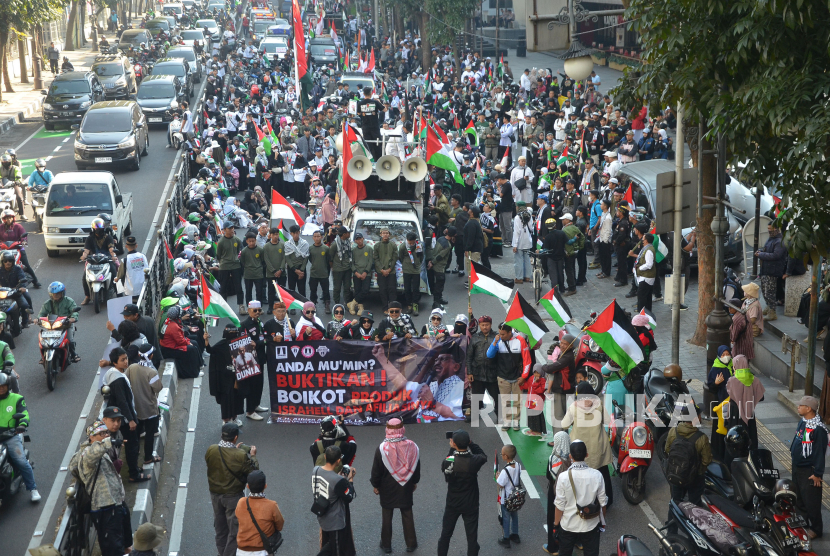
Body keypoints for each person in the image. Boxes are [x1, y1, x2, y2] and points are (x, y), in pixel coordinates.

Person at [69, 421, 131, 556]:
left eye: (106, 433)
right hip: (104, 506)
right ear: (91, 437)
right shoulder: (88, 452)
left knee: (124, 541)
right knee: (113, 548)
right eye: (101, 434)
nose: (105, 436)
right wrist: (109, 442)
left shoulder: (101, 450)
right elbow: (92, 455)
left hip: (116, 502)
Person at [205, 422, 259, 556]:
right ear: (235, 438)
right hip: (233, 497)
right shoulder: (240, 455)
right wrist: (253, 456)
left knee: (220, 528)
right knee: (235, 530)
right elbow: (254, 473)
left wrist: (235, 449)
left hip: (215, 495)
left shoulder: (211, 449)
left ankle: (221, 552)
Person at [370, 418, 420, 553]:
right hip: (406, 486)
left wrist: (375, 485)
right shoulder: (412, 446)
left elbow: (376, 470)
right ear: (402, 428)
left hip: (387, 487)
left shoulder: (382, 448)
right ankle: (411, 543)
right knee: (407, 513)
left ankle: (386, 545)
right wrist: (414, 482)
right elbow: (416, 467)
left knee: (387, 515)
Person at [561, 381, 614, 507]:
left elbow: (564, 424)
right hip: (598, 446)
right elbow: (607, 420)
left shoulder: (574, 407)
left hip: (580, 449)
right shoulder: (599, 405)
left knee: (580, 476)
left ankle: (584, 501)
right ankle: (607, 499)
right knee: (602, 473)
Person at [100, 351, 151, 482]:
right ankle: (134, 474)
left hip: (120, 415)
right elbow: (123, 401)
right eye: (122, 360)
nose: (126, 361)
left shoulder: (112, 373)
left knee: (132, 444)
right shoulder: (118, 379)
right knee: (132, 445)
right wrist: (131, 420)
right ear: (115, 362)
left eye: (126, 358)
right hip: (124, 418)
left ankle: (135, 469)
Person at [437, 430, 488, 556]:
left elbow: (446, 462)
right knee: (471, 538)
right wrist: (471, 443)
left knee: (446, 534)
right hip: (471, 503)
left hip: (453, 503)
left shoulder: (449, 461)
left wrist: (452, 449)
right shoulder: (475, 460)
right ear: (468, 442)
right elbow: (483, 455)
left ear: (454, 443)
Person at [553, 440, 608, 556]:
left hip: (568, 526)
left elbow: (559, 506)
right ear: (586, 455)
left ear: (570, 456)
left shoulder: (563, 477)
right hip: (590, 525)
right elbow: (603, 503)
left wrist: (555, 525)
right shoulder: (597, 475)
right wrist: (601, 522)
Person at [790, 395, 827, 539]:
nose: (798, 407)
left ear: (808, 408)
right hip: (797, 466)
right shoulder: (803, 422)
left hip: (809, 470)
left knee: (812, 501)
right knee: (799, 498)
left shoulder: (819, 429)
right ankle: (802, 522)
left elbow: (819, 452)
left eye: (801, 405)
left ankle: (816, 528)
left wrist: (817, 473)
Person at [663, 405, 712, 507]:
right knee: (695, 505)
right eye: (699, 415)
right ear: (695, 418)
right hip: (694, 478)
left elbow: (667, 449)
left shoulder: (673, 431)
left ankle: (672, 521)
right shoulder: (702, 438)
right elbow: (706, 461)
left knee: (675, 502)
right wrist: (698, 472)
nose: (700, 417)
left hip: (676, 473)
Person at [312, 445, 357, 556]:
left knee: (328, 545)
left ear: (325, 456)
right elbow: (349, 496)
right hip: (335, 522)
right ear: (338, 460)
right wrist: (350, 479)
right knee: (336, 550)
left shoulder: (316, 470)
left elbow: (329, 483)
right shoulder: (338, 480)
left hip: (322, 516)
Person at [0, 373, 39, 501]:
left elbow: (24, 413)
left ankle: (33, 489)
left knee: (21, 461)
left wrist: (22, 424)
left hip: (11, 436)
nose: (1, 388)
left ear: (8, 385)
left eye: (3, 386)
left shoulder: (16, 398)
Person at [487, 323, 532, 430]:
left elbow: (527, 360)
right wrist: (495, 342)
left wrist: (524, 376)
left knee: (517, 401)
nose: (500, 336)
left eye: (503, 334)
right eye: (499, 333)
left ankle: (516, 421)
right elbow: (489, 355)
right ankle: (507, 422)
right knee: (505, 401)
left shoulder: (520, 340)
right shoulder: (498, 341)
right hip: (503, 376)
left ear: (509, 332)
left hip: (517, 377)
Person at [123, 350, 163, 467]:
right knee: (149, 434)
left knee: (136, 434)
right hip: (150, 408)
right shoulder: (151, 372)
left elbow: (126, 381)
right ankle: (148, 457)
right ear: (151, 356)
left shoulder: (132, 367)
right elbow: (158, 388)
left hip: (136, 408)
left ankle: (136, 455)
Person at [234, 470, 285, 554]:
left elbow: (238, 519)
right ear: (265, 486)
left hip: (242, 551)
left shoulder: (241, 503)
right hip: (262, 550)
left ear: (248, 486)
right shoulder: (271, 505)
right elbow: (279, 526)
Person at [206, 324, 245, 426]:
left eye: (234, 333)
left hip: (238, 376)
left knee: (237, 397)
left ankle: (235, 417)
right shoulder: (221, 345)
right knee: (226, 399)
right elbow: (210, 350)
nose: (233, 335)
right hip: (225, 378)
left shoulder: (240, 343)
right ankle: (226, 420)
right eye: (230, 333)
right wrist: (206, 341)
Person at [726, 355, 765, 450]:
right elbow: (761, 397)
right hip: (749, 412)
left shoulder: (732, 381)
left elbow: (729, 394)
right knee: (750, 436)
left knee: (734, 438)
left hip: (735, 413)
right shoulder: (755, 380)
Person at [239, 301, 270, 420]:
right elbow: (246, 343)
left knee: (259, 384)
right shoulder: (245, 324)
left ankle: (256, 405)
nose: (258, 313)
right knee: (252, 385)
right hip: (251, 359)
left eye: (259, 310)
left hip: (260, 357)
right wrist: (259, 343)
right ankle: (250, 411)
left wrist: (259, 343)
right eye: (255, 310)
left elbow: (263, 338)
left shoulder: (260, 322)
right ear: (249, 311)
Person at [466, 315, 499, 423]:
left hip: (492, 373)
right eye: (483, 325)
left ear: (491, 325)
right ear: (479, 325)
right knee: (476, 396)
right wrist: (470, 372)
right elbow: (469, 356)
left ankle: (500, 416)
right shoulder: (475, 337)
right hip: (477, 373)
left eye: (487, 325)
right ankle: (474, 415)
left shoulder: (497, 337)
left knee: (496, 397)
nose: (485, 327)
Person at [39, 281, 80, 362]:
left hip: (66, 325)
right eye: (54, 294)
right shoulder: (47, 303)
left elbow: (75, 311)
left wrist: (72, 319)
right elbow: (41, 314)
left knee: (70, 340)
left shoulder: (69, 301)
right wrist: (37, 320)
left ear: (62, 293)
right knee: (43, 341)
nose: (56, 295)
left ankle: (73, 354)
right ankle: (44, 356)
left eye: (58, 293)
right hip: (51, 325)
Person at [544, 431, 571, 555]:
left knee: (552, 518)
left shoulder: (553, 458)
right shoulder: (572, 458)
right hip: (569, 494)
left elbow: (548, 475)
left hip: (554, 493)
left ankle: (553, 546)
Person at [159, 305, 202, 378]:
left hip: (171, 345)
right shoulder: (173, 326)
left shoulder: (169, 321)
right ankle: (194, 373)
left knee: (194, 343)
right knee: (192, 349)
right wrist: (188, 343)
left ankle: (200, 365)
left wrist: (188, 341)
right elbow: (181, 341)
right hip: (170, 349)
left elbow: (181, 337)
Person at [707, 345, 734, 460]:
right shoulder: (716, 369)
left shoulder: (734, 366)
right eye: (723, 355)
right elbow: (711, 387)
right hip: (722, 402)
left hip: (733, 402)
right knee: (720, 427)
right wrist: (716, 383)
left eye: (727, 354)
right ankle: (718, 453)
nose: (726, 357)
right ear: (719, 356)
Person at [213, 221, 245, 314]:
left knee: (239, 287)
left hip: (236, 265)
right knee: (223, 287)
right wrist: (223, 262)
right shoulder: (221, 242)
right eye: (229, 228)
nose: (231, 230)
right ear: (224, 230)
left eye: (232, 228)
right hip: (224, 266)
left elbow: (240, 250)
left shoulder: (237, 240)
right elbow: (218, 255)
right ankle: (224, 307)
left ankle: (241, 306)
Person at [496, 444, 521, 547]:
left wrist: (497, 477)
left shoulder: (505, 470)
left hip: (506, 498)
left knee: (506, 518)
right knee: (514, 516)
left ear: (506, 456)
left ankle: (506, 538)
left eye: (502, 454)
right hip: (515, 497)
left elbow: (501, 484)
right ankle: (515, 534)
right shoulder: (518, 465)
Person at [114, 236, 148, 302]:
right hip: (143, 288)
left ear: (126, 246)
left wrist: (116, 279)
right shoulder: (143, 256)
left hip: (131, 292)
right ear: (136, 246)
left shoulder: (125, 260)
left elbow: (119, 275)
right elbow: (147, 269)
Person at [373, 228, 399, 310]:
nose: (385, 234)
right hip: (381, 272)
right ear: (380, 234)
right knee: (382, 290)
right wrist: (382, 269)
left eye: (387, 233)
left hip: (391, 271)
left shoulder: (393, 245)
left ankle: (392, 308)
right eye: (383, 233)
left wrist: (389, 269)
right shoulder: (377, 246)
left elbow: (395, 258)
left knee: (392, 290)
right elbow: (376, 259)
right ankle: (385, 308)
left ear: (389, 234)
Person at [399, 232, 423, 316]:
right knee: (407, 288)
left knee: (416, 288)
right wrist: (406, 263)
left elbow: (421, 256)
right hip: (406, 269)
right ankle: (409, 305)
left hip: (416, 270)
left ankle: (415, 305)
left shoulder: (419, 245)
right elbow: (400, 257)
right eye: (410, 242)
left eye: (413, 242)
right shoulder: (403, 246)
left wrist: (417, 263)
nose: (411, 244)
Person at [240, 232, 266, 307]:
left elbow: (262, 261)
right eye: (249, 241)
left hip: (258, 274)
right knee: (248, 292)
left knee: (259, 292)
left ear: (255, 240)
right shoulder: (244, 251)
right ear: (247, 241)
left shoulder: (260, 250)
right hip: (248, 275)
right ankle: (250, 307)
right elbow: (243, 262)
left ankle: (259, 307)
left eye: (253, 241)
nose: (251, 243)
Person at [285, 224, 309, 299]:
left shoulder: (305, 243)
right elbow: (287, 258)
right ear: (291, 233)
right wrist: (294, 270)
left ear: (299, 232)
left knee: (302, 290)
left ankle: (303, 308)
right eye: (293, 233)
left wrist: (301, 270)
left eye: (297, 233)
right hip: (292, 269)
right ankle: (292, 309)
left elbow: (306, 257)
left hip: (301, 269)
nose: (295, 235)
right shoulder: (288, 244)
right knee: (291, 289)